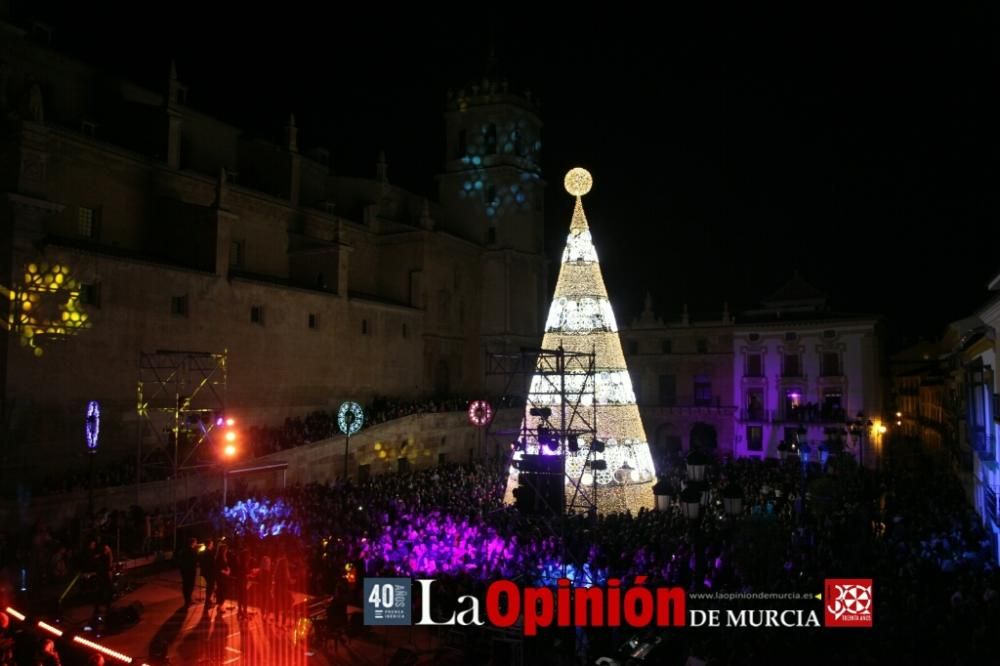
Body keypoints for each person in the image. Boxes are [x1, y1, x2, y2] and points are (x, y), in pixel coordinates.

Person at [92, 543, 114, 622]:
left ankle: (103, 607)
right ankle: (103, 608)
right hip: (103, 575)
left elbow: (109, 564)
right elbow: (107, 566)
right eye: (107, 549)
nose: (109, 550)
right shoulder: (102, 557)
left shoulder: (103, 556)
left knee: (104, 591)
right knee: (105, 591)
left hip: (103, 575)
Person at [177, 537, 198, 608]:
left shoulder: (183, 551)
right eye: (195, 542)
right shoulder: (192, 551)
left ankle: (187, 599)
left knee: (186, 586)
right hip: (190, 571)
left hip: (184, 571)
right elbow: (194, 561)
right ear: (193, 543)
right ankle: (188, 600)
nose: (196, 544)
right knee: (190, 586)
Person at [199, 538, 216, 608]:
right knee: (210, 587)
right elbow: (211, 564)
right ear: (209, 544)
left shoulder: (203, 552)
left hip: (205, 572)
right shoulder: (209, 553)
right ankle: (208, 602)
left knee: (209, 587)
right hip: (209, 573)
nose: (212, 545)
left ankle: (208, 601)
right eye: (212, 543)